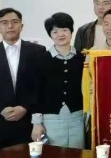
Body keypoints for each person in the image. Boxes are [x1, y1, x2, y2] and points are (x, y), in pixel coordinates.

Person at [0, 8, 45, 150]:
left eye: (14, 22)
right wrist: (0, 109)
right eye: (5, 23)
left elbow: (41, 85)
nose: (10, 26)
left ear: (21, 26)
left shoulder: (37, 51)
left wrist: (25, 107)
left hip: (28, 121)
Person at [31, 13, 85, 149]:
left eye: (64, 30)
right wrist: (37, 123)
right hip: (50, 120)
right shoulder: (41, 59)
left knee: (78, 157)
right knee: (53, 157)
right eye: (55, 31)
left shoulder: (83, 59)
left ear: (71, 31)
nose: (60, 34)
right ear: (50, 35)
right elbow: (36, 92)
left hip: (78, 118)